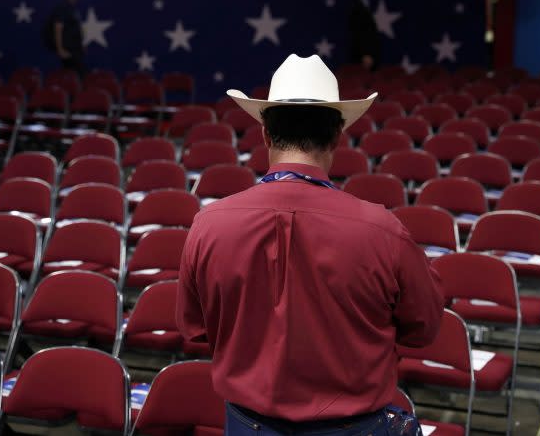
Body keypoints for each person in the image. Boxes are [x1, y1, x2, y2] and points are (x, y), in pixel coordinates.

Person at [176, 54, 444, 436]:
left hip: (247, 426)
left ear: (265, 134)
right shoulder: (383, 230)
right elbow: (424, 329)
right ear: (337, 135)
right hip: (355, 428)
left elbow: (195, 328)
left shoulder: (208, 224)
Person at [48, 0, 85, 76]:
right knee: (71, 77)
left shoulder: (72, 8)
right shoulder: (63, 7)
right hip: (68, 52)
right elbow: (58, 28)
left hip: (75, 51)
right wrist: (60, 49)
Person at [347, 0, 381, 71]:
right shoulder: (357, 8)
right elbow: (359, 33)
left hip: (372, 53)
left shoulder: (368, 4)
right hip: (364, 56)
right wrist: (365, 53)